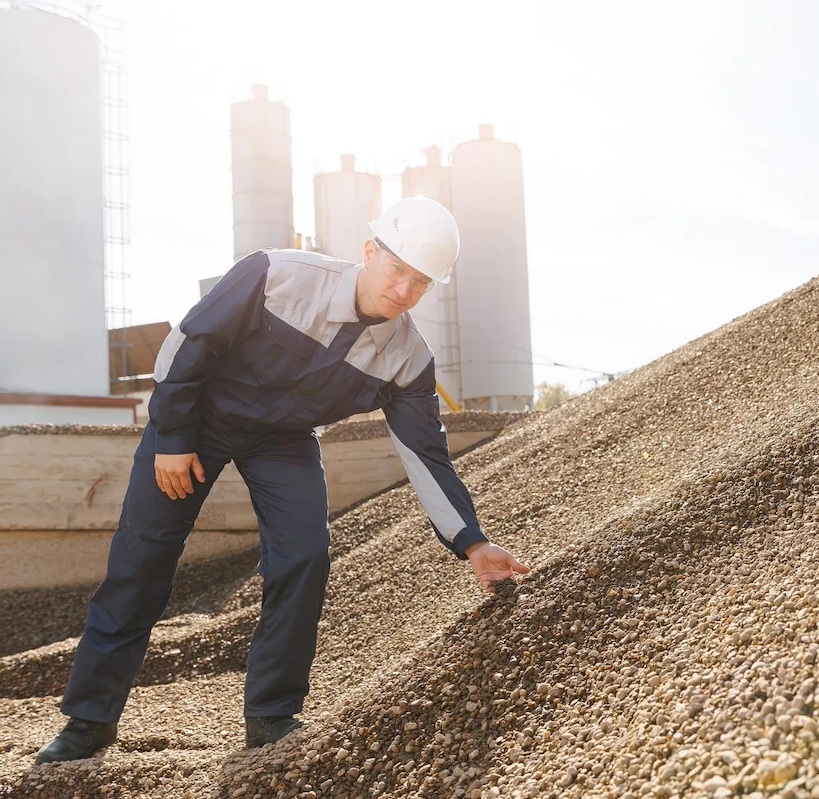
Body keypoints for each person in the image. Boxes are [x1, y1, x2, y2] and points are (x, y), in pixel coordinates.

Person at [35, 197, 530, 765]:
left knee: (306, 553)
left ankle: (271, 715)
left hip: (284, 441)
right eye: (396, 270)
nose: (402, 291)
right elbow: (187, 343)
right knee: (141, 560)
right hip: (199, 418)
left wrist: (470, 540)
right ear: (370, 251)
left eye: (420, 283)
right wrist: (172, 438)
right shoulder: (277, 274)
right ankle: (89, 721)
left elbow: (426, 454)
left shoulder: (407, 357)